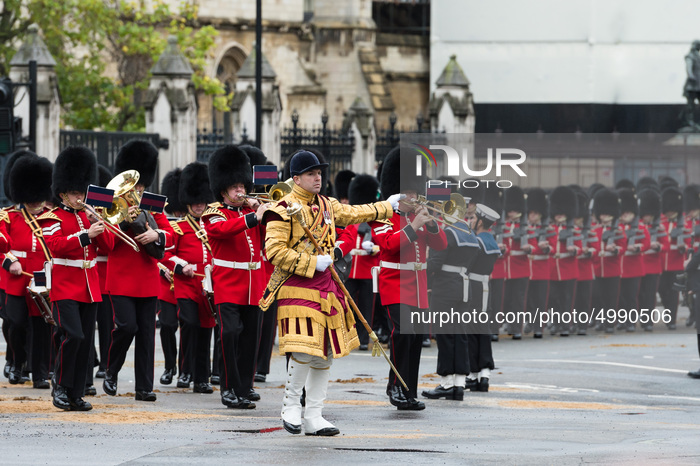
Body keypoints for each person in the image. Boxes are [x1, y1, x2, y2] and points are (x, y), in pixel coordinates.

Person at [261, 149, 399, 435]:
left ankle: (314, 415)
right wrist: (312, 261)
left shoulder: (326, 204)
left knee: (324, 352)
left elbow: (354, 212)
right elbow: (273, 251)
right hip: (296, 284)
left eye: (319, 173)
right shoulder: (281, 207)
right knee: (303, 346)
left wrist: (387, 206)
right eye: (311, 174)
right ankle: (290, 406)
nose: (318, 178)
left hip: (326, 285)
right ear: (296, 178)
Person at [371, 147, 447, 411]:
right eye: (409, 193)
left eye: (415, 193)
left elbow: (441, 245)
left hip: (419, 286)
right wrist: (413, 227)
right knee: (401, 335)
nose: (413, 197)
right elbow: (390, 245)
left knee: (415, 339)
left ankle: (409, 391)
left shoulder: (420, 216)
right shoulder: (383, 216)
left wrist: (433, 223)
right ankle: (395, 387)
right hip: (395, 284)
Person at [40, 146, 115, 411]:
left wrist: (100, 223)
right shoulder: (52, 217)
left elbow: (108, 248)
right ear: (62, 193)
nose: (79, 197)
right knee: (71, 335)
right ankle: (59, 387)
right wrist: (86, 236)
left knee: (84, 341)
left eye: (81, 192)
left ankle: (75, 392)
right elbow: (56, 245)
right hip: (65, 284)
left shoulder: (88, 215)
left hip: (89, 285)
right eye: (74, 193)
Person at [103, 140, 173, 402]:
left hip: (146, 277)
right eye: (135, 184)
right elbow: (108, 245)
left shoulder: (152, 204)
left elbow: (172, 235)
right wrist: (121, 219)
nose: (138, 189)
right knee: (126, 327)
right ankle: (111, 370)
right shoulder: (111, 205)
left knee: (146, 333)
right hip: (121, 277)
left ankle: (144, 387)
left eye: (141, 184)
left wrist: (156, 233)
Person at [202, 145, 268, 410]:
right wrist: (254, 216)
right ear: (223, 190)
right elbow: (223, 231)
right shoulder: (213, 213)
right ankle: (228, 388)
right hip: (228, 283)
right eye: (235, 187)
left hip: (254, 284)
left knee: (251, 338)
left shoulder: (252, 213)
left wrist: (266, 214)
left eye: (242, 186)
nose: (241, 191)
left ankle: (244, 386)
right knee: (229, 334)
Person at [422, 191, 480, 401]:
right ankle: (459, 383)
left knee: (445, 334)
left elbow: (436, 263)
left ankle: (446, 382)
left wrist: (420, 271)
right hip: (464, 286)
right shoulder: (468, 231)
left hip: (446, 287)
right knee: (460, 334)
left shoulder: (448, 232)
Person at [2, 152, 53, 388]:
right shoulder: (9, 217)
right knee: (16, 322)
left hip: (41, 278)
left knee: (42, 327)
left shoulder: (52, 219)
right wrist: (10, 261)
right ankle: (18, 362)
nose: (36, 201)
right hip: (16, 278)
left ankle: (40, 373)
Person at [169, 162, 217, 394]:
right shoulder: (178, 227)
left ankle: (201, 378)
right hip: (186, 283)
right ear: (188, 202)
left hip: (208, 284)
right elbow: (167, 255)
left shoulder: (213, 225)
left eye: (202, 201)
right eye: (195, 202)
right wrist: (182, 266)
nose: (199, 205)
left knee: (205, 329)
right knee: (189, 324)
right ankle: (185, 370)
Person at [334, 174, 382, 351]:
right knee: (347, 304)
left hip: (367, 268)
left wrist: (373, 248)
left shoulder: (375, 223)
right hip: (350, 268)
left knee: (366, 307)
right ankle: (349, 336)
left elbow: (382, 246)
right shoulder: (350, 221)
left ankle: (363, 338)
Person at [465, 204, 501, 392]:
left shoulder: (477, 241)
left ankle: (473, 373)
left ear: (479, 221)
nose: (471, 222)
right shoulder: (491, 241)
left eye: (472, 219)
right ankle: (484, 373)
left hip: (472, 286)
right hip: (486, 285)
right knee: (483, 328)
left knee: (471, 328)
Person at [157, 168, 185, 386]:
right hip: (166, 281)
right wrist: (160, 267)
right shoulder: (161, 215)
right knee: (167, 324)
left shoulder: (195, 221)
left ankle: (185, 369)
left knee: (188, 325)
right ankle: (169, 366)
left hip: (187, 280)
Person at [684, 40, 700, 128]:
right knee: (691, 105)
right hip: (692, 85)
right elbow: (689, 67)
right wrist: (691, 75)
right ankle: (689, 121)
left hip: (698, 84)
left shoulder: (698, 56)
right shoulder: (690, 56)